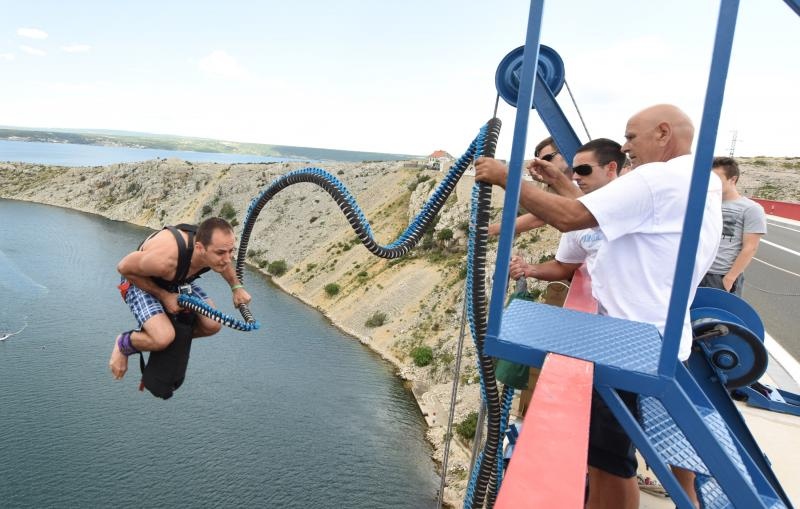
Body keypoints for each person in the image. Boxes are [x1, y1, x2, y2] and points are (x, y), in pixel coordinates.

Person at [475, 104, 722, 509]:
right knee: (617, 456)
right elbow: (599, 213)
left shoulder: (657, 179)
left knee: (609, 463)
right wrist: (558, 180)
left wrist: (505, 178)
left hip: (631, 341)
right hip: (654, 334)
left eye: (631, 137)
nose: (626, 148)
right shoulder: (695, 181)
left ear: (663, 133)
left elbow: (573, 218)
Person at [109, 217, 252, 380]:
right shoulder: (164, 259)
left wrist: (236, 287)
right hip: (139, 280)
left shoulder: (213, 251)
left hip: (176, 278)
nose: (227, 259)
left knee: (212, 325)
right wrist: (164, 296)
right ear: (200, 248)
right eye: (220, 253)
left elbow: (224, 263)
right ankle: (125, 343)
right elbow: (123, 268)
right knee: (162, 338)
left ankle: (164, 335)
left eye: (231, 251)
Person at [699, 156, 767, 296]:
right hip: (698, 271)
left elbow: (750, 247)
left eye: (717, 180)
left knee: (715, 316)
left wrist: (730, 278)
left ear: (733, 179)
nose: (711, 184)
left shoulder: (751, 209)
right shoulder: (705, 204)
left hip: (719, 276)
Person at [487, 136, 575, 236]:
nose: (544, 164)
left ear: (565, 152)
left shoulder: (586, 185)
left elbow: (541, 216)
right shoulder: (555, 186)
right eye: (540, 161)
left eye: (547, 158)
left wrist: (504, 177)